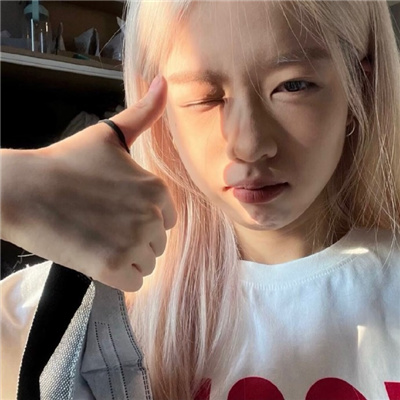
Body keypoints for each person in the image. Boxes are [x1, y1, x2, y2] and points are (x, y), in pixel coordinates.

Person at [1, 0, 400, 399]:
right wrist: (14, 188)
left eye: (293, 85)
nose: (249, 145)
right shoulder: (74, 307)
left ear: (359, 88)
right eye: (205, 97)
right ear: (160, 111)